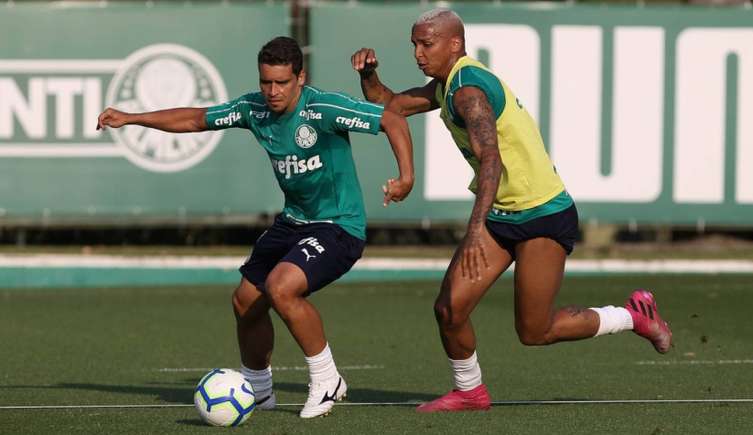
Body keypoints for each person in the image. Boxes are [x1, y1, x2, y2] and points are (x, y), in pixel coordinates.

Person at [351, 9, 672, 412]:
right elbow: (391, 105)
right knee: (449, 309)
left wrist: (473, 231)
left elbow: (492, 161)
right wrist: (368, 75)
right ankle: (470, 391)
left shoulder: (468, 91)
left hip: (541, 215)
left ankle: (633, 316)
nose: (418, 52)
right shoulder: (446, 85)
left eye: (426, 44)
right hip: (502, 213)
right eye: (414, 44)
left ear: (455, 44)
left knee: (536, 331)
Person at [98, 36, 415, 418]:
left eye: (281, 82)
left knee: (281, 288)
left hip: (339, 227)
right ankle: (259, 390)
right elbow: (196, 119)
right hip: (293, 222)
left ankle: (327, 379)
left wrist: (406, 178)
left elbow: (392, 119)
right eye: (266, 82)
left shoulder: (324, 108)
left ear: (301, 77)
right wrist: (132, 118)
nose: (272, 91)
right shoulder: (254, 108)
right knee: (246, 301)